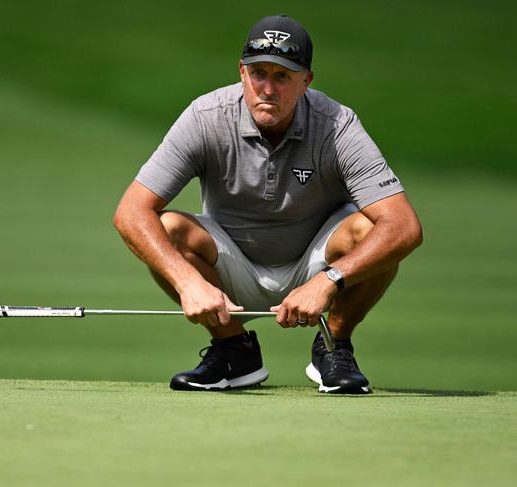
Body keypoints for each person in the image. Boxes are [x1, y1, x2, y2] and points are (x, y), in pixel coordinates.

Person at [113, 14, 422, 394]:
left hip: (318, 263)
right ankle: (233, 350)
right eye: (258, 73)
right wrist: (188, 282)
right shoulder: (206, 117)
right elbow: (130, 211)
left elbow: (404, 226)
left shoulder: (337, 124)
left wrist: (330, 279)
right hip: (231, 263)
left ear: (306, 81)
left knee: (374, 231)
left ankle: (334, 346)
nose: (267, 88)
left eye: (282, 76)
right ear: (242, 72)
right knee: (167, 229)